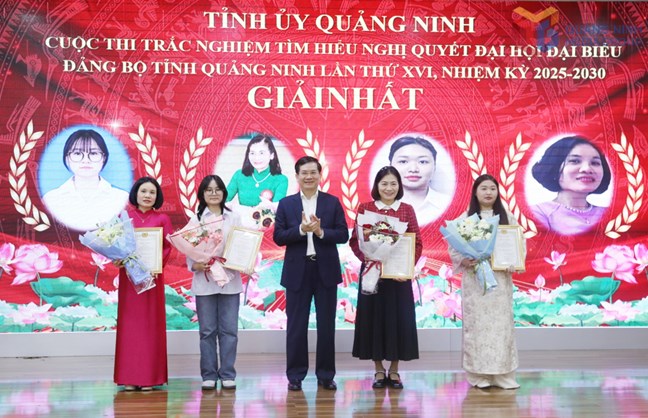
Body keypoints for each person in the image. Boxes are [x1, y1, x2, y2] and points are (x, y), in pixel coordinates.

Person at [272, 156, 349, 391]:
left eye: (313, 172)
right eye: (304, 173)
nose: (308, 177)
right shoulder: (286, 204)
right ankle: (295, 376)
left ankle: (326, 375)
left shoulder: (332, 202)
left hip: (325, 270)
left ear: (319, 175)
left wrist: (320, 231)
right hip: (298, 270)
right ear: (297, 176)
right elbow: (278, 237)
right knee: (296, 325)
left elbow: (343, 234)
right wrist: (300, 230)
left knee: (326, 325)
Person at [348, 166, 422, 389]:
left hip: (398, 277)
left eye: (393, 184)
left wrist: (406, 267)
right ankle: (379, 369)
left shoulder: (406, 209)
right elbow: (355, 240)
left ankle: (395, 370)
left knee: (398, 321)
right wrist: (369, 259)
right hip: (373, 275)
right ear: (377, 186)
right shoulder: (366, 208)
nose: (389, 188)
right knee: (374, 320)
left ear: (399, 186)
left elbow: (417, 242)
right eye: (384, 184)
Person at [448, 174, 523, 390]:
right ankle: (478, 375)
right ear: (475, 192)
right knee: (477, 327)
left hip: (500, 281)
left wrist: (513, 261)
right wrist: (464, 259)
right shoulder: (465, 219)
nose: (488, 192)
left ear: (498, 192)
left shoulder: (508, 218)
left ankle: (503, 375)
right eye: (484, 188)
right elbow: (454, 248)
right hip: (475, 282)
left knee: (501, 327)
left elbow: (519, 244)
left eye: (492, 188)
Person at [114, 176, 173, 391]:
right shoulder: (124, 218)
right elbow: (115, 244)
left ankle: (150, 377)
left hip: (152, 279)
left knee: (150, 325)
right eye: (144, 191)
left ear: (157, 196)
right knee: (130, 326)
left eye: (152, 192)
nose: (148, 195)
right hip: (129, 280)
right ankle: (129, 377)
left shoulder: (162, 219)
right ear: (135, 193)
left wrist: (154, 265)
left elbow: (168, 247)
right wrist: (117, 258)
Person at [187, 175, 243, 391]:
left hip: (230, 281)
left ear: (224, 193)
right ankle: (209, 375)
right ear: (202, 194)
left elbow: (242, 244)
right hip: (205, 281)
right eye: (209, 190)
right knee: (207, 331)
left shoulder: (234, 218)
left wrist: (240, 260)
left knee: (229, 330)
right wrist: (196, 265)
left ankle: (228, 374)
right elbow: (188, 249)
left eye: (218, 189)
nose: (213, 193)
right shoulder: (196, 220)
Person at [42, 129, 129, 231]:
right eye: (77, 153)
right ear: (67, 158)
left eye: (93, 153)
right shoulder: (51, 199)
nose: (86, 160)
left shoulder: (122, 198)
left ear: (104, 158)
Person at [529, 136, 611, 235]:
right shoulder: (538, 213)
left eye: (595, 163)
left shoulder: (611, 214)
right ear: (555, 167)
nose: (587, 169)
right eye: (575, 161)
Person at [388, 136, 451, 226]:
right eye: (403, 161)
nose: (413, 169)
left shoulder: (448, 204)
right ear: (390, 166)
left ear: (434, 167)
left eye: (422, 162)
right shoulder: (377, 206)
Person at [226, 134, 289, 206]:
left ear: (272, 155)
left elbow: (277, 208)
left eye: (261, 153)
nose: (256, 158)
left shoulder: (281, 180)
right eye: (252, 153)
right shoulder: (239, 175)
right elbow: (224, 199)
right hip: (241, 213)